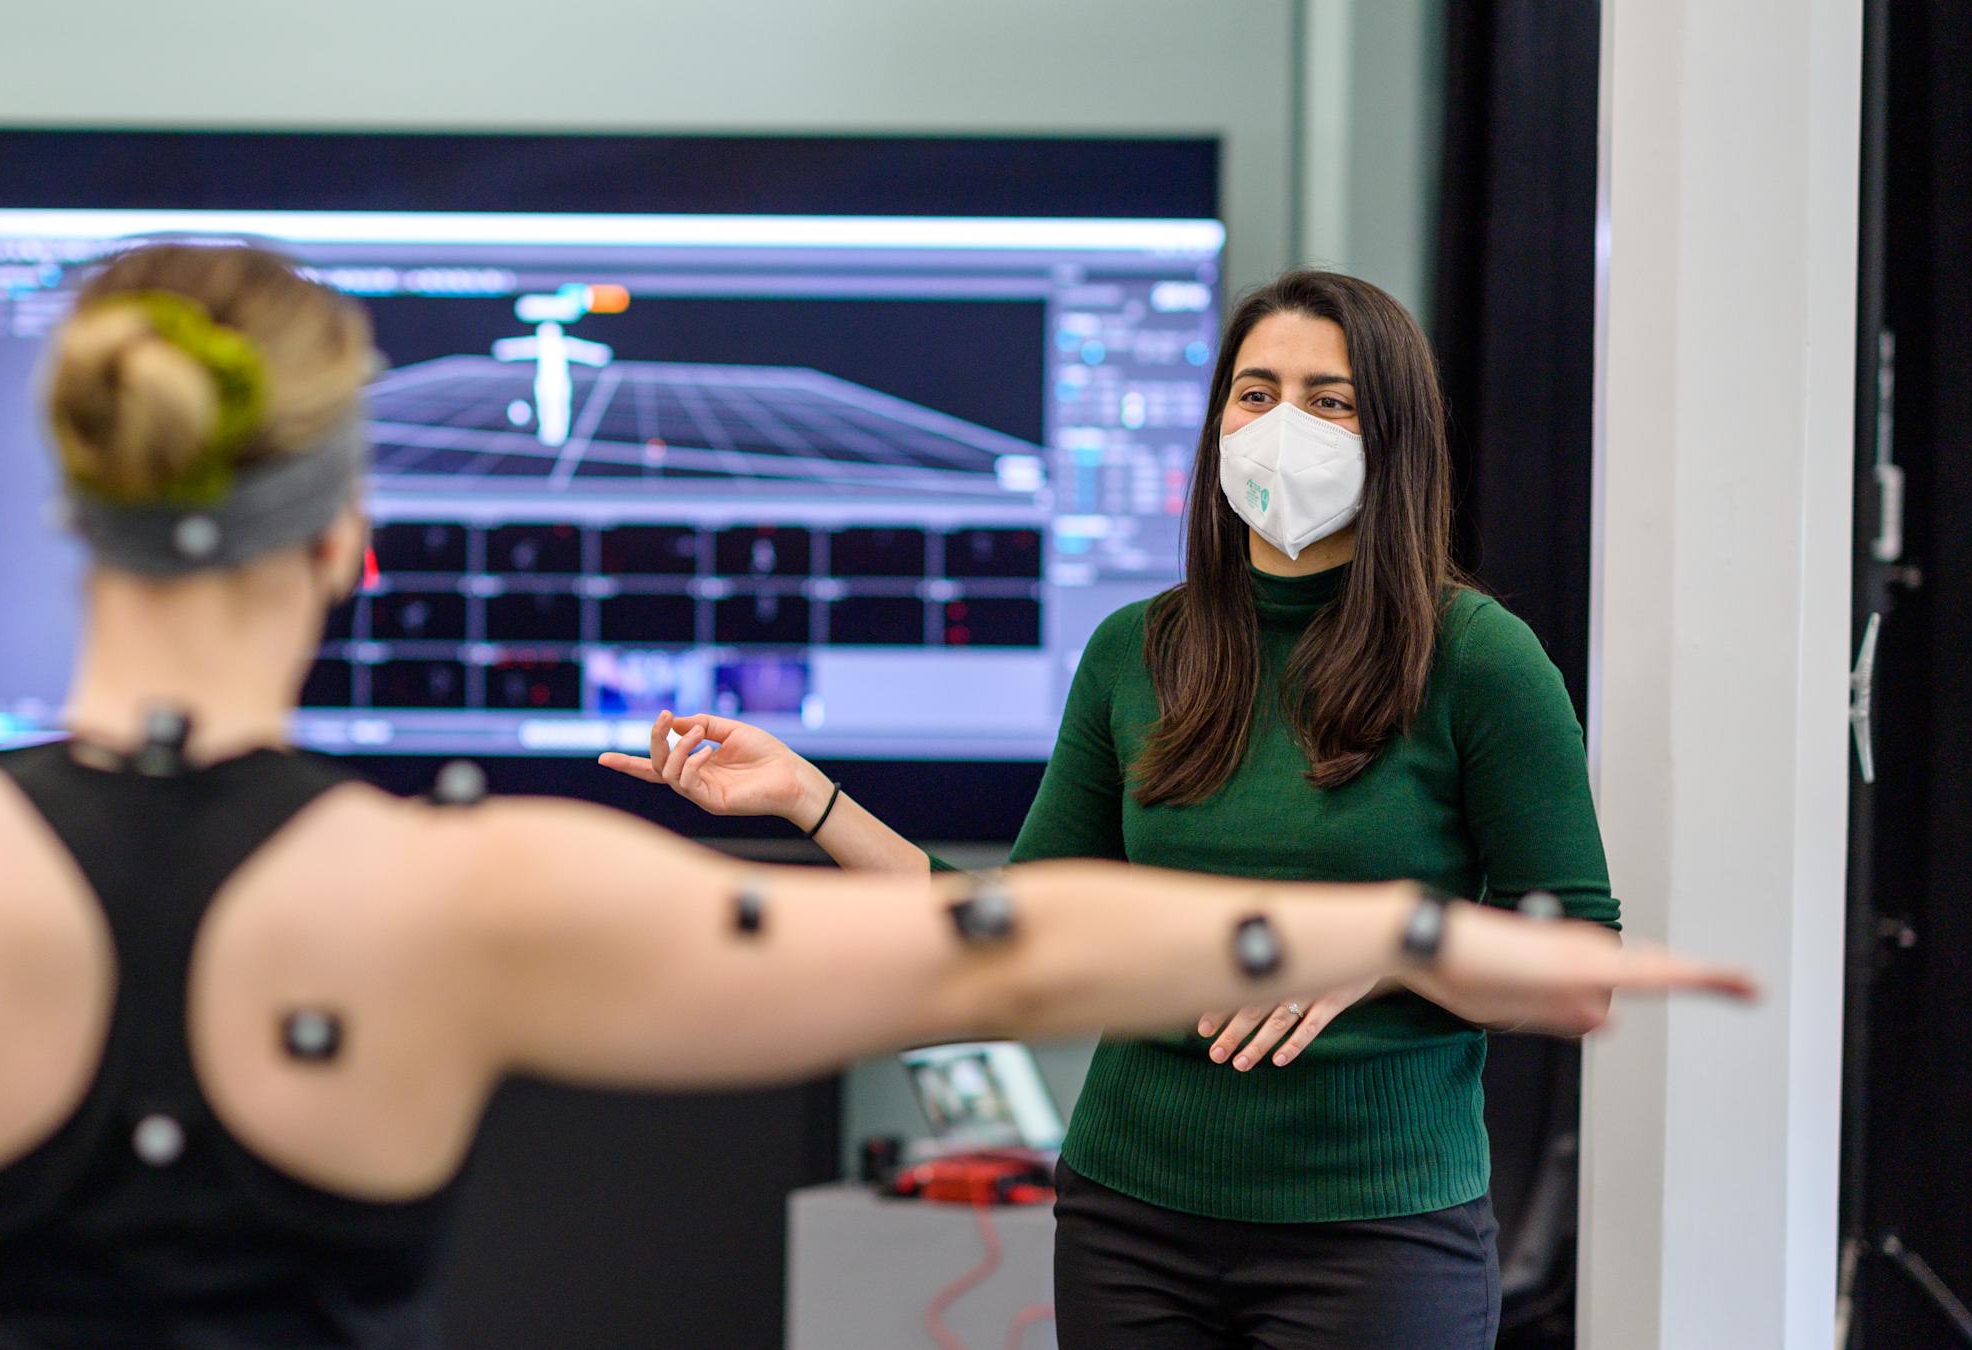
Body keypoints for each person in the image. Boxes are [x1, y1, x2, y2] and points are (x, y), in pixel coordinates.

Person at [0, 247, 1747, 1350]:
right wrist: (1403, 927)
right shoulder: (459, 898)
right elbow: (998, 943)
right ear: (354, 545)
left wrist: (1403, 957)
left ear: (76, 514)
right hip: (1151, 1209)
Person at [603, 269, 1622, 1348]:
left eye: (1330, 402)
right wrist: (808, 798)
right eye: (1256, 393)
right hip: (1132, 1224)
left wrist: (1391, 948)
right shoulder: (1137, 650)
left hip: (1378, 1235)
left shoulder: (1479, 660)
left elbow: (1581, 972)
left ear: (1398, 437)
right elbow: (1012, 928)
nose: (1284, 426)